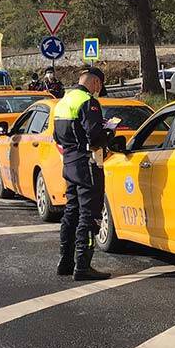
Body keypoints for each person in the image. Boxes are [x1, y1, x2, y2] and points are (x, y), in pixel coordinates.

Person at [53, 66, 115, 280]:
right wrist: (109, 131)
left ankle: (65, 261)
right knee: (89, 215)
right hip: (87, 163)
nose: (99, 89)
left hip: (69, 163)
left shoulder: (63, 102)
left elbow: (57, 136)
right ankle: (83, 266)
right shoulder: (89, 102)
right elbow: (95, 138)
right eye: (100, 85)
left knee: (71, 211)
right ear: (95, 82)